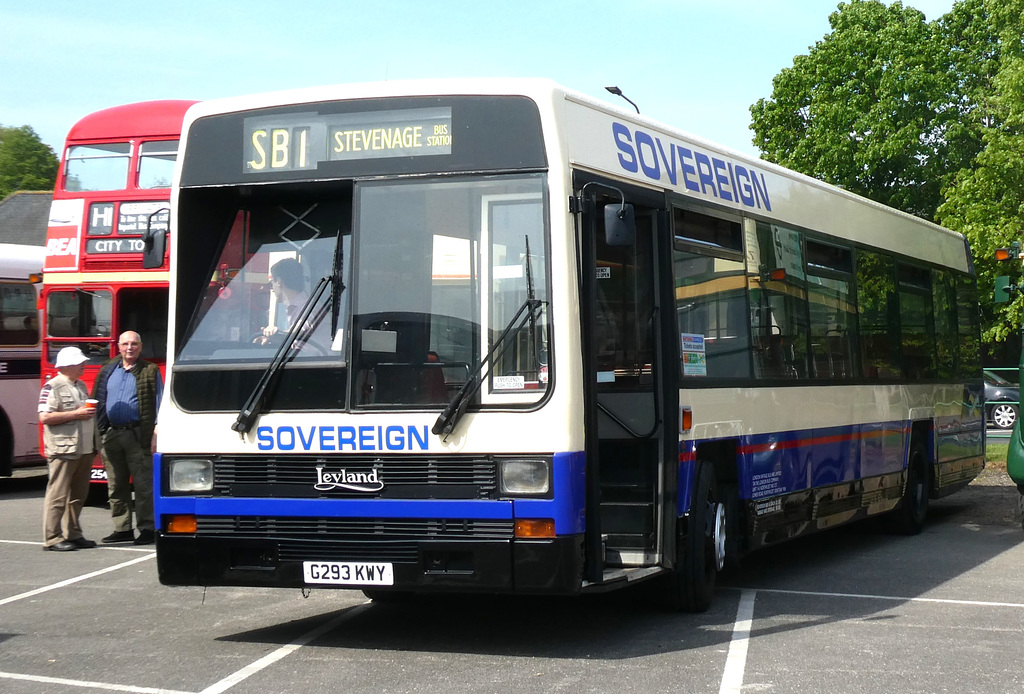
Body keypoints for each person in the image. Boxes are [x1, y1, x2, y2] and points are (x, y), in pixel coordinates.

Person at [92, 331, 163, 545]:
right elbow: (97, 400)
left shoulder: (150, 370)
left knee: (143, 485)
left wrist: (155, 435)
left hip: (138, 434)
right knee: (116, 484)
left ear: (140, 347)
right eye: (125, 344)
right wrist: (99, 433)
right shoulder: (107, 369)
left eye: (134, 344)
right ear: (119, 347)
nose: (129, 348)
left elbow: (159, 404)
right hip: (111, 434)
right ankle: (122, 528)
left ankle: (147, 528)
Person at [38, 346, 99, 552]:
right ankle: (52, 537)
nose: (84, 365)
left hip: (83, 448)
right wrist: (76, 414)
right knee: (58, 494)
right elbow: (45, 417)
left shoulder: (80, 384)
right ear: (67, 365)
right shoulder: (52, 387)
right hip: (63, 449)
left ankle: (73, 533)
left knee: (78, 495)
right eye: (80, 362)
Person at [256, 257, 309, 343]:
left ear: (278, 281)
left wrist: (276, 332)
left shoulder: (311, 306)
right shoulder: (293, 308)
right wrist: (272, 340)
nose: (272, 288)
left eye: (271, 282)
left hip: (318, 356)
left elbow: (298, 332)